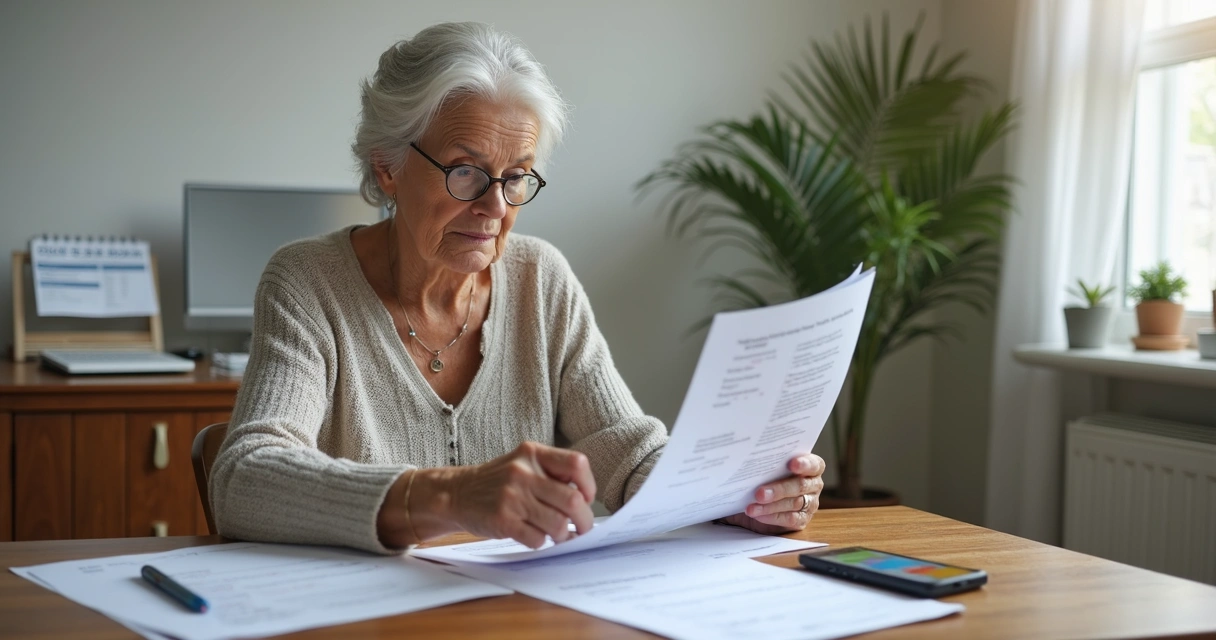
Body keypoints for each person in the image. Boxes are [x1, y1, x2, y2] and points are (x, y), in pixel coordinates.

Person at [209, 21, 826, 554]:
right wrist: (452, 495)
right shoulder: (309, 283)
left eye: (517, 178)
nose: (494, 207)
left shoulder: (540, 279)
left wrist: (732, 493)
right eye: (466, 172)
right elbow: (244, 476)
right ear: (387, 167)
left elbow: (624, 450)